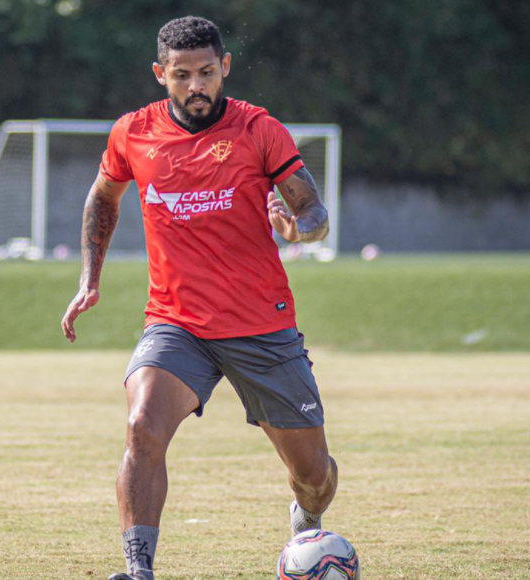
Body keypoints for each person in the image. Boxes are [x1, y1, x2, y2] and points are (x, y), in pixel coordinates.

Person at [59, 16, 337, 580]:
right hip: (176, 323)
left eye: (207, 72)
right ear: (161, 74)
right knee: (142, 424)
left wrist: (300, 230)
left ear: (225, 67)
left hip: (261, 324)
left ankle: (308, 515)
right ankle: (138, 571)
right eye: (182, 75)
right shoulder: (133, 132)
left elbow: (312, 209)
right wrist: (90, 279)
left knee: (314, 473)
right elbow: (103, 198)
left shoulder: (259, 129)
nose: (196, 86)